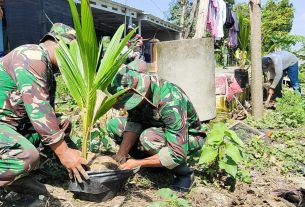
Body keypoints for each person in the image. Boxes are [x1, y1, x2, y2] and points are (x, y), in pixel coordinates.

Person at [0, 23, 88, 188]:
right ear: (63, 47)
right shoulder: (31, 56)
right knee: (25, 156)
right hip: (3, 126)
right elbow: (39, 111)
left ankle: (23, 174)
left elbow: (47, 117)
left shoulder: (47, 69)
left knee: (61, 125)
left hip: (11, 127)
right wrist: (64, 152)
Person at [106, 59, 206, 192]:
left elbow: (177, 153)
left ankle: (184, 173)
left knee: (148, 138)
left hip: (187, 138)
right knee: (114, 125)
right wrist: (121, 154)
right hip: (154, 130)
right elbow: (134, 122)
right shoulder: (134, 95)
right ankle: (155, 164)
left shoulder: (170, 98)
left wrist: (138, 163)